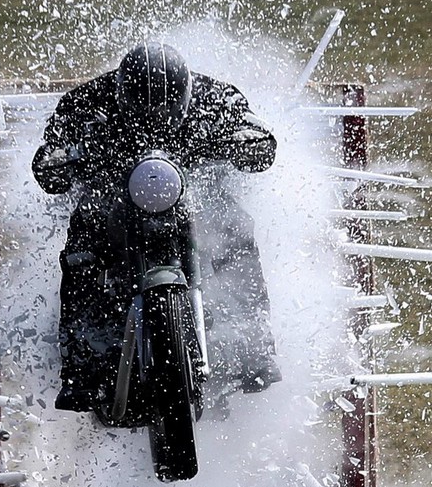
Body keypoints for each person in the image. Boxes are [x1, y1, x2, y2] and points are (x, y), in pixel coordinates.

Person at [32, 41, 281, 412]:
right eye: (145, 107)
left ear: (184, 93)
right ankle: (79, 368)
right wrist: (59, 160)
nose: (156, 116)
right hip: (114, 198)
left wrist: (248, 141)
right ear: (121, 92)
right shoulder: (85, 103)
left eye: (166, 108)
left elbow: (254, 131)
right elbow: (52, 154)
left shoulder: (215, 96)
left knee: (236, 230)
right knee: (81, 249)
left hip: (193, 195)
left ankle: (255, 345)